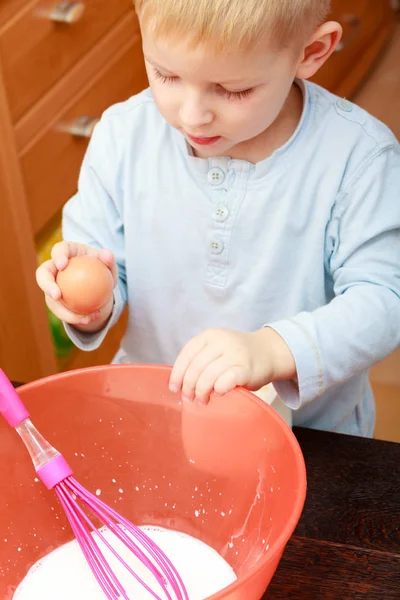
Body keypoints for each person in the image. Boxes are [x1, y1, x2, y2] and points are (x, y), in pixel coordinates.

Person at [36, 0, 400, 437]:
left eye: (234, 89)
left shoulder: (357, 158)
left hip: (309, 435)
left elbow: (383, 300)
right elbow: (105, 267)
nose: (191, 115)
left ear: (311, 53)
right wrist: (93, 300)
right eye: (166, 75)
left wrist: (272, 349)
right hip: (158, 418)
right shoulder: (122, 137)